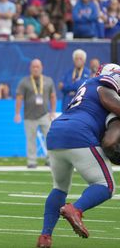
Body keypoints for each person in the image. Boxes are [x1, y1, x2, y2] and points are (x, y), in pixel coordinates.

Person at [36, 63, 120, 248]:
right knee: (106, 186)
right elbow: (109, 137)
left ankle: (45, 236)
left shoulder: (85, 88)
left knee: (59, 187)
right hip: (79, 133)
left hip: (57, 131)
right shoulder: (104, 86)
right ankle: (76, 209)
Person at [14, 59, 57, 168]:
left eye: (37, 66)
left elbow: (53, 96)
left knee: (50, 138)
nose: (36, 69)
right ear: (30, 68)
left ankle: (50, 159)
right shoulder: (24, 81)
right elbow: (19, 97)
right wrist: (17, 113)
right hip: (29, 116)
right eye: (34, 66)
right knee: (31, 139)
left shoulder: (48, 81)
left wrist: (53, 112)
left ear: (42, 67)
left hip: (45, 114)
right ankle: (32, 161)